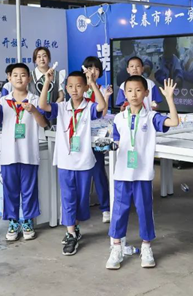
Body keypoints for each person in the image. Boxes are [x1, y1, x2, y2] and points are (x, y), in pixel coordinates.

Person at [106, 76, 179, 270]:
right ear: (124, 93)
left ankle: (146, 247)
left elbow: (174, 122)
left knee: (144, 210)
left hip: (142, 174)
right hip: (122, 174)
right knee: (119, 211)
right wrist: (110, 145)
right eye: (130, 91)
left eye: (138, 90)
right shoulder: (119, 118)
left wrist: (169, 98)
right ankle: (116, 247)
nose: (134, 95)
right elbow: (116, 141)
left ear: (146, 93)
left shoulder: (151, 117)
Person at [38, 69, 107, 256]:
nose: (74, 90)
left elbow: (102, 106)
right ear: (66, 88)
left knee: (82, 199)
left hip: (84, 161)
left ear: (85, 88)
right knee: (68, 197)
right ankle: (70, 233)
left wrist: (93, 83)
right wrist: (47, 81)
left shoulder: (89, 107)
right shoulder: (61, 108)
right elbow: (42, 105)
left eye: (78, 86)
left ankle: (74, 226)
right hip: (65, 161)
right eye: (70, 86)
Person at [0, 63, 48, 242]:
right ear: (9, 78)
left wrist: (34, 111)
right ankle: (13, 221)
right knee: (10, 190)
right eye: (15, 75)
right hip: (9, 155)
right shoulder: (3, 100)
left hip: (29, 153)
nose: (19, 78)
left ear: (29, 78)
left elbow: (43, 123)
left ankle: (28, 221)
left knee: (29, 190)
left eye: (23, 75)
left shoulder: (35, 99)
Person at [82, 56, 114, 223]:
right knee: (80, 173)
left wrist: (106, 97)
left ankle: (106, 208)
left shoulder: (101, 89)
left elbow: (102, 112)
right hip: (81, 136)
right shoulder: (79, 87)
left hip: (97, 136)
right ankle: (81, 207)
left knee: (98, 170)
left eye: (96, 68)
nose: (93, 71)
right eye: (89, 68)